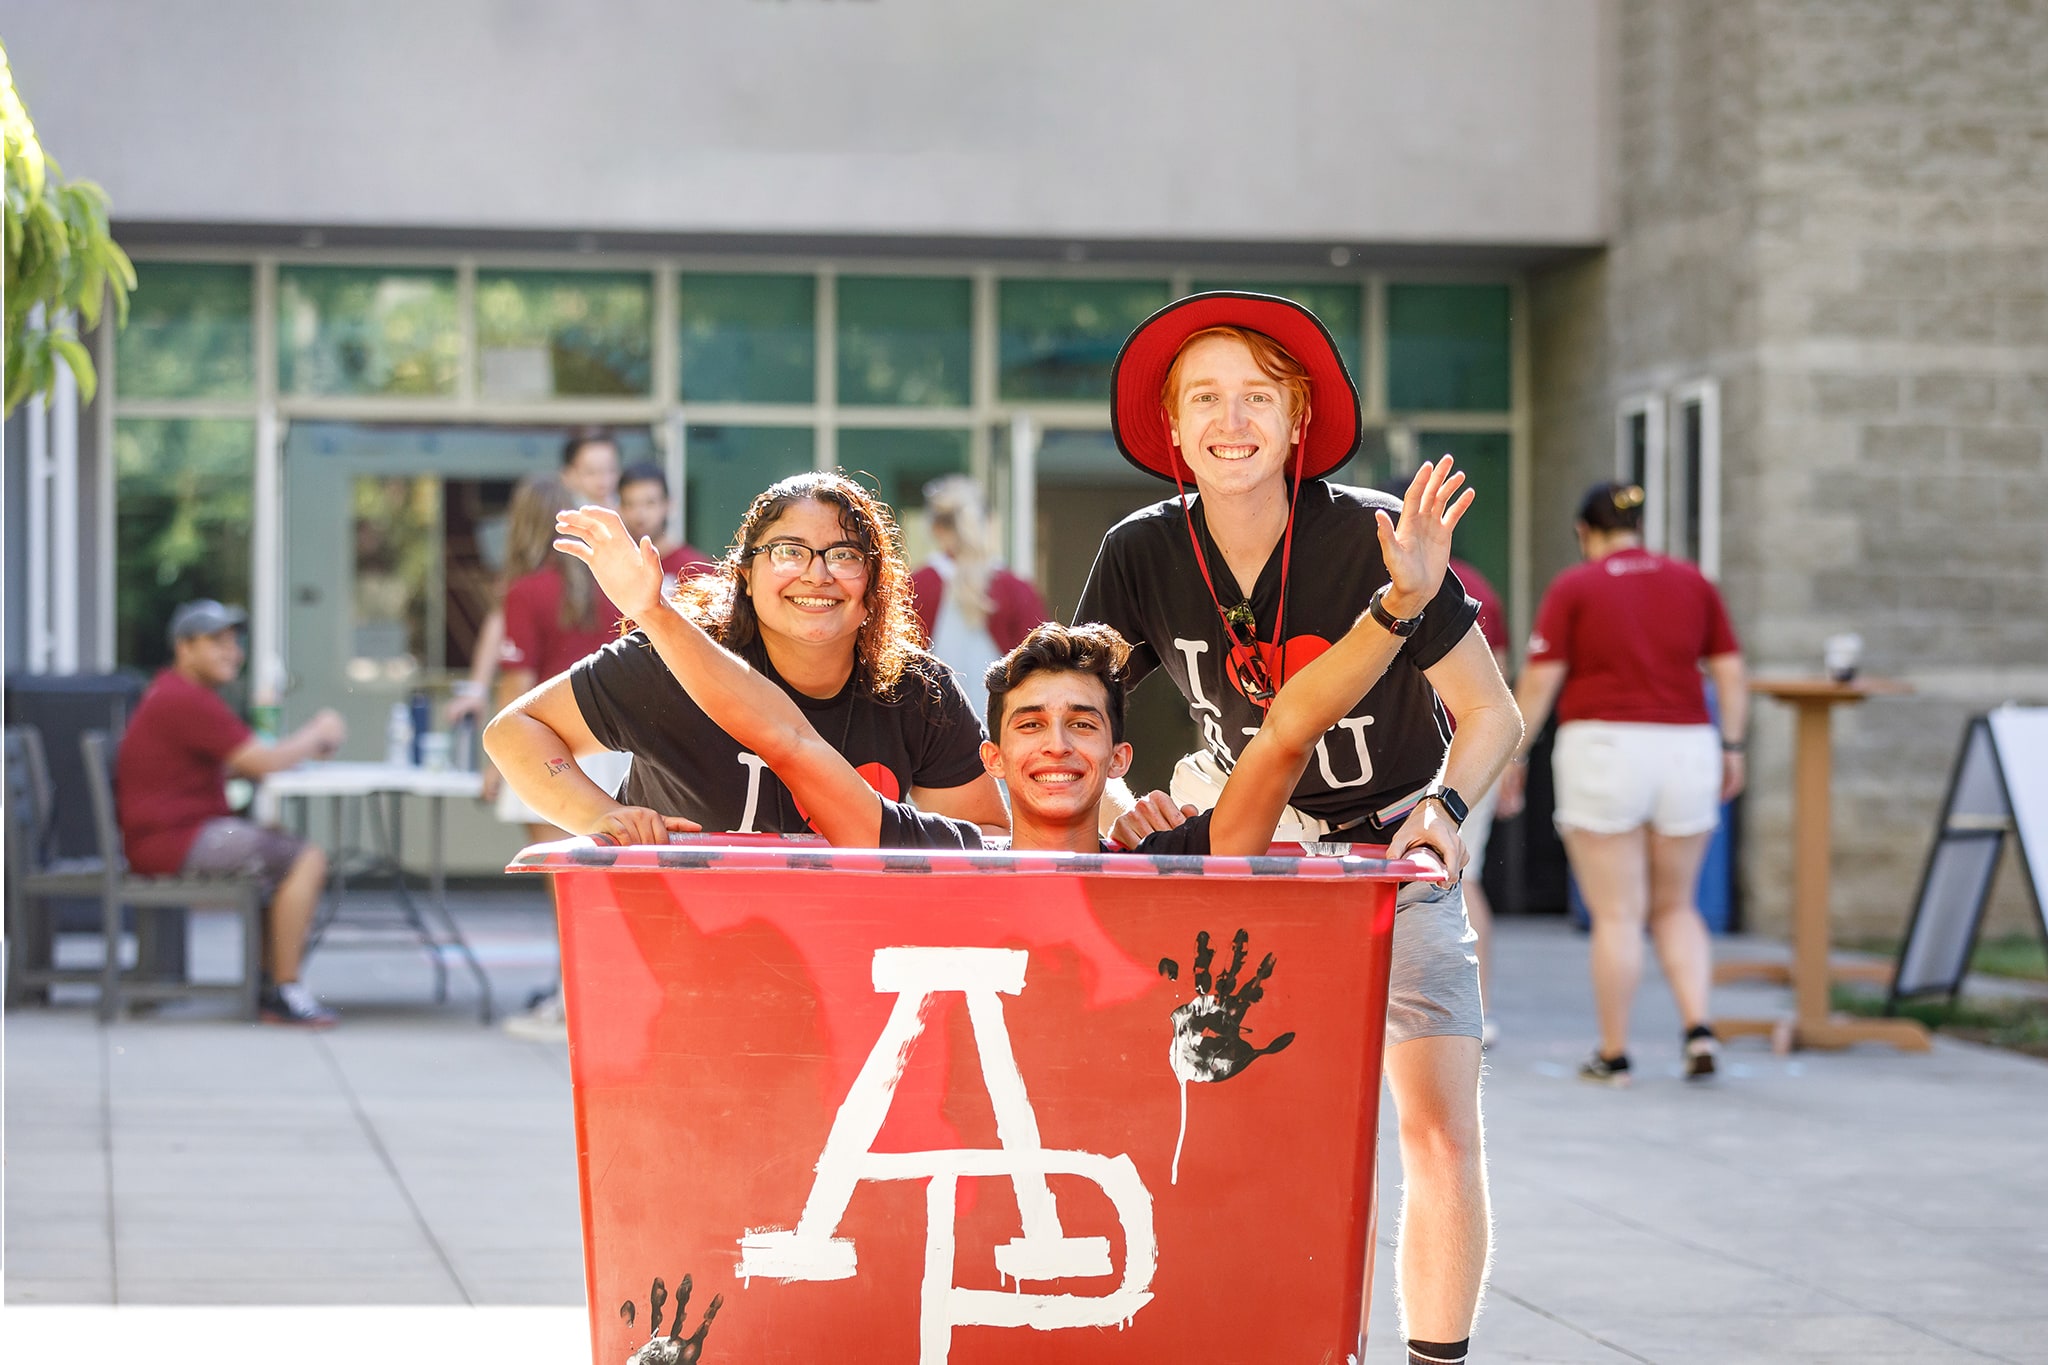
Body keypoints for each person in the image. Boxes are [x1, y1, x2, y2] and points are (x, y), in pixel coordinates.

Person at [1074, 293, 1522, 1365]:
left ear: (1296, 417)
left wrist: (1441, 812)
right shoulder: (1138, 551)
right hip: (1250, 860)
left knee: (1435, 1132)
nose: (1231, 420)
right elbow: (1071, 711)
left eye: (1256, 397)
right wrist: (1107, 802)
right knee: (1245, 1131)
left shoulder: (1373, 535)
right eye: (1204, 400)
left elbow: (1491, 714)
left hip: (1390, 858)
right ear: (1171, 430)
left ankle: (1434, 1356)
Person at [547, 451, 1469, 857]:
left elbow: (1287, 730)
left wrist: (1398, 607)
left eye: (1082, 724)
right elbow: (785, 734)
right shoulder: (936, 854)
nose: (1055, 744)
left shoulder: (1166, 857)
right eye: (1028, 724)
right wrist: (656, 615)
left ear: (1120, 759)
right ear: (989, 755)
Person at [483, 469, 1009, 848]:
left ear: (876, 582)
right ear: (745, 576)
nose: (816, 575)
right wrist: (605, 816)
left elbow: (991, 839)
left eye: (844, 555)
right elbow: (513, 731)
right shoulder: (670, 662)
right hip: (684, 952)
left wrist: (892, 843)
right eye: (788, 551)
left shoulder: (918, 690)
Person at [1496, 482, 1747, 1087]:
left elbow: (1540, 681)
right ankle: (1698, 1029)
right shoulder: (1693, 581)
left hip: (1603, 750)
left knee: (1616, 913)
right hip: (1688, 746)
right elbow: (1731, 671)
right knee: (1677, 906)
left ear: (1586, 532)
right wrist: (1733, 745)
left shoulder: (1575, 586)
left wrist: (1511, 754)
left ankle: (1615, 1054)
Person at [115, 600, 349, 1027]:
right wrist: (317, 733)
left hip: (171, 835)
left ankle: (270, 984)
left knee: (280, 848)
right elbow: (262, 762)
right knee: (304, 857)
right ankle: (285, 990)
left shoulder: (177, 692)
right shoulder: (185, 699)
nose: (232, 651)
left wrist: (283, 756)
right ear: (184, 648)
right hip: (172, 842)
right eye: (216, 641)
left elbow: (249, 762)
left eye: (234, 641)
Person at [487, 475, 630, 1039]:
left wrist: (493, 763)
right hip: (613, 748)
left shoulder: (525, 591)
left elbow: (515, 687)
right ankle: (597, 995)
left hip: (549, 747)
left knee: (566, 885)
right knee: (601, 884)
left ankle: (576, 1003)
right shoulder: (606, 584)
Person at [448, 429, 625, 729]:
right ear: (568, 477)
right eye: (591, 471)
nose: (602, 481)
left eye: (610, 470)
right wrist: (477, 688)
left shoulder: (629, 541)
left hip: (590, 721)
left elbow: (517, 680)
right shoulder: (544, 574)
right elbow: (503, 616)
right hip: (605, 722)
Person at [908, 475, 1051, 719]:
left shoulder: (915, 587)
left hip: (932, 731)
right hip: (1004, 728)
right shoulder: (1015, 589)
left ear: (935, 528)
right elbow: (1042, 668)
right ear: (988, 523)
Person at [618, 461, 714, 590]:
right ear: (619, 509)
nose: (640, 514)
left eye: (650, 503)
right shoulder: (611, 572)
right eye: (630, 504)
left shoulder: (699, 572)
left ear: (669, 505)